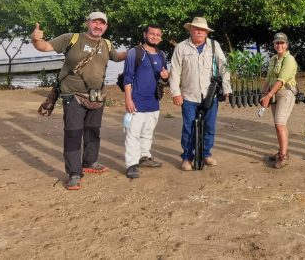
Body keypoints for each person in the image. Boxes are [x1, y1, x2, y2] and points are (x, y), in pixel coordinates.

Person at [30, 11, 126, 190]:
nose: (98, 26)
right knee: (74, 133)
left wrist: (135, 51)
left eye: (102, 23)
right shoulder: (71, 38)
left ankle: (89, 162)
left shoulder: (106, 44)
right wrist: (35, 39)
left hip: (97, 95)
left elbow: (117, 57)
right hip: (73, 94)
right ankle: (74, 173)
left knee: (93, 131)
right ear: (87, 23)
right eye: (94, 22)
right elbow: (44, 47)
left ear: (106, 26)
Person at [169, 17, 231, 171]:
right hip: (188, 96)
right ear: (190, 29)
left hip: (210, 95)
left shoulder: (214, 46)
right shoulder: (181, 47)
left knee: (209, 127)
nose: (200, 32)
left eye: (203, 30)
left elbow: (224, 67)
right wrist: (175, 93)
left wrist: (227, 87)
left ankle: (206, 154)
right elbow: (175, 70)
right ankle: (187, 158)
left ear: (206, 32)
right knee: (189, 127)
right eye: (196, 29)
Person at [122, 24, 170, 179]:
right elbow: (127, 78)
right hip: (137, 101)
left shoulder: (161, 54)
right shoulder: (134, 53)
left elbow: (163, 77)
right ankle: (131, 164)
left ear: (161, 37)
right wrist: (128, 99)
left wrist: (165, 76)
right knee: (132, 134)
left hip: (153, 101)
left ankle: (144, 156)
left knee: (148, 131)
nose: (155, 37)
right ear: (145, 34)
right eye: (152, 34)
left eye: (158, 34)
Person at [260, 33, 298, 169]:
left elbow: (281, 80)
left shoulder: (290, 60)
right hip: (274, 93)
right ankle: (283, 151)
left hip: (285, 93)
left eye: (282, 43)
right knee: (279, 124)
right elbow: (268, 78)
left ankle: (283, 156)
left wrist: (269, 95)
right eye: (277, 43)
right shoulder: (273, 59)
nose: (279, 45)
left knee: (279, 123)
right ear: (274, 44)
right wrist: (264, 93)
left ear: (286, 45)